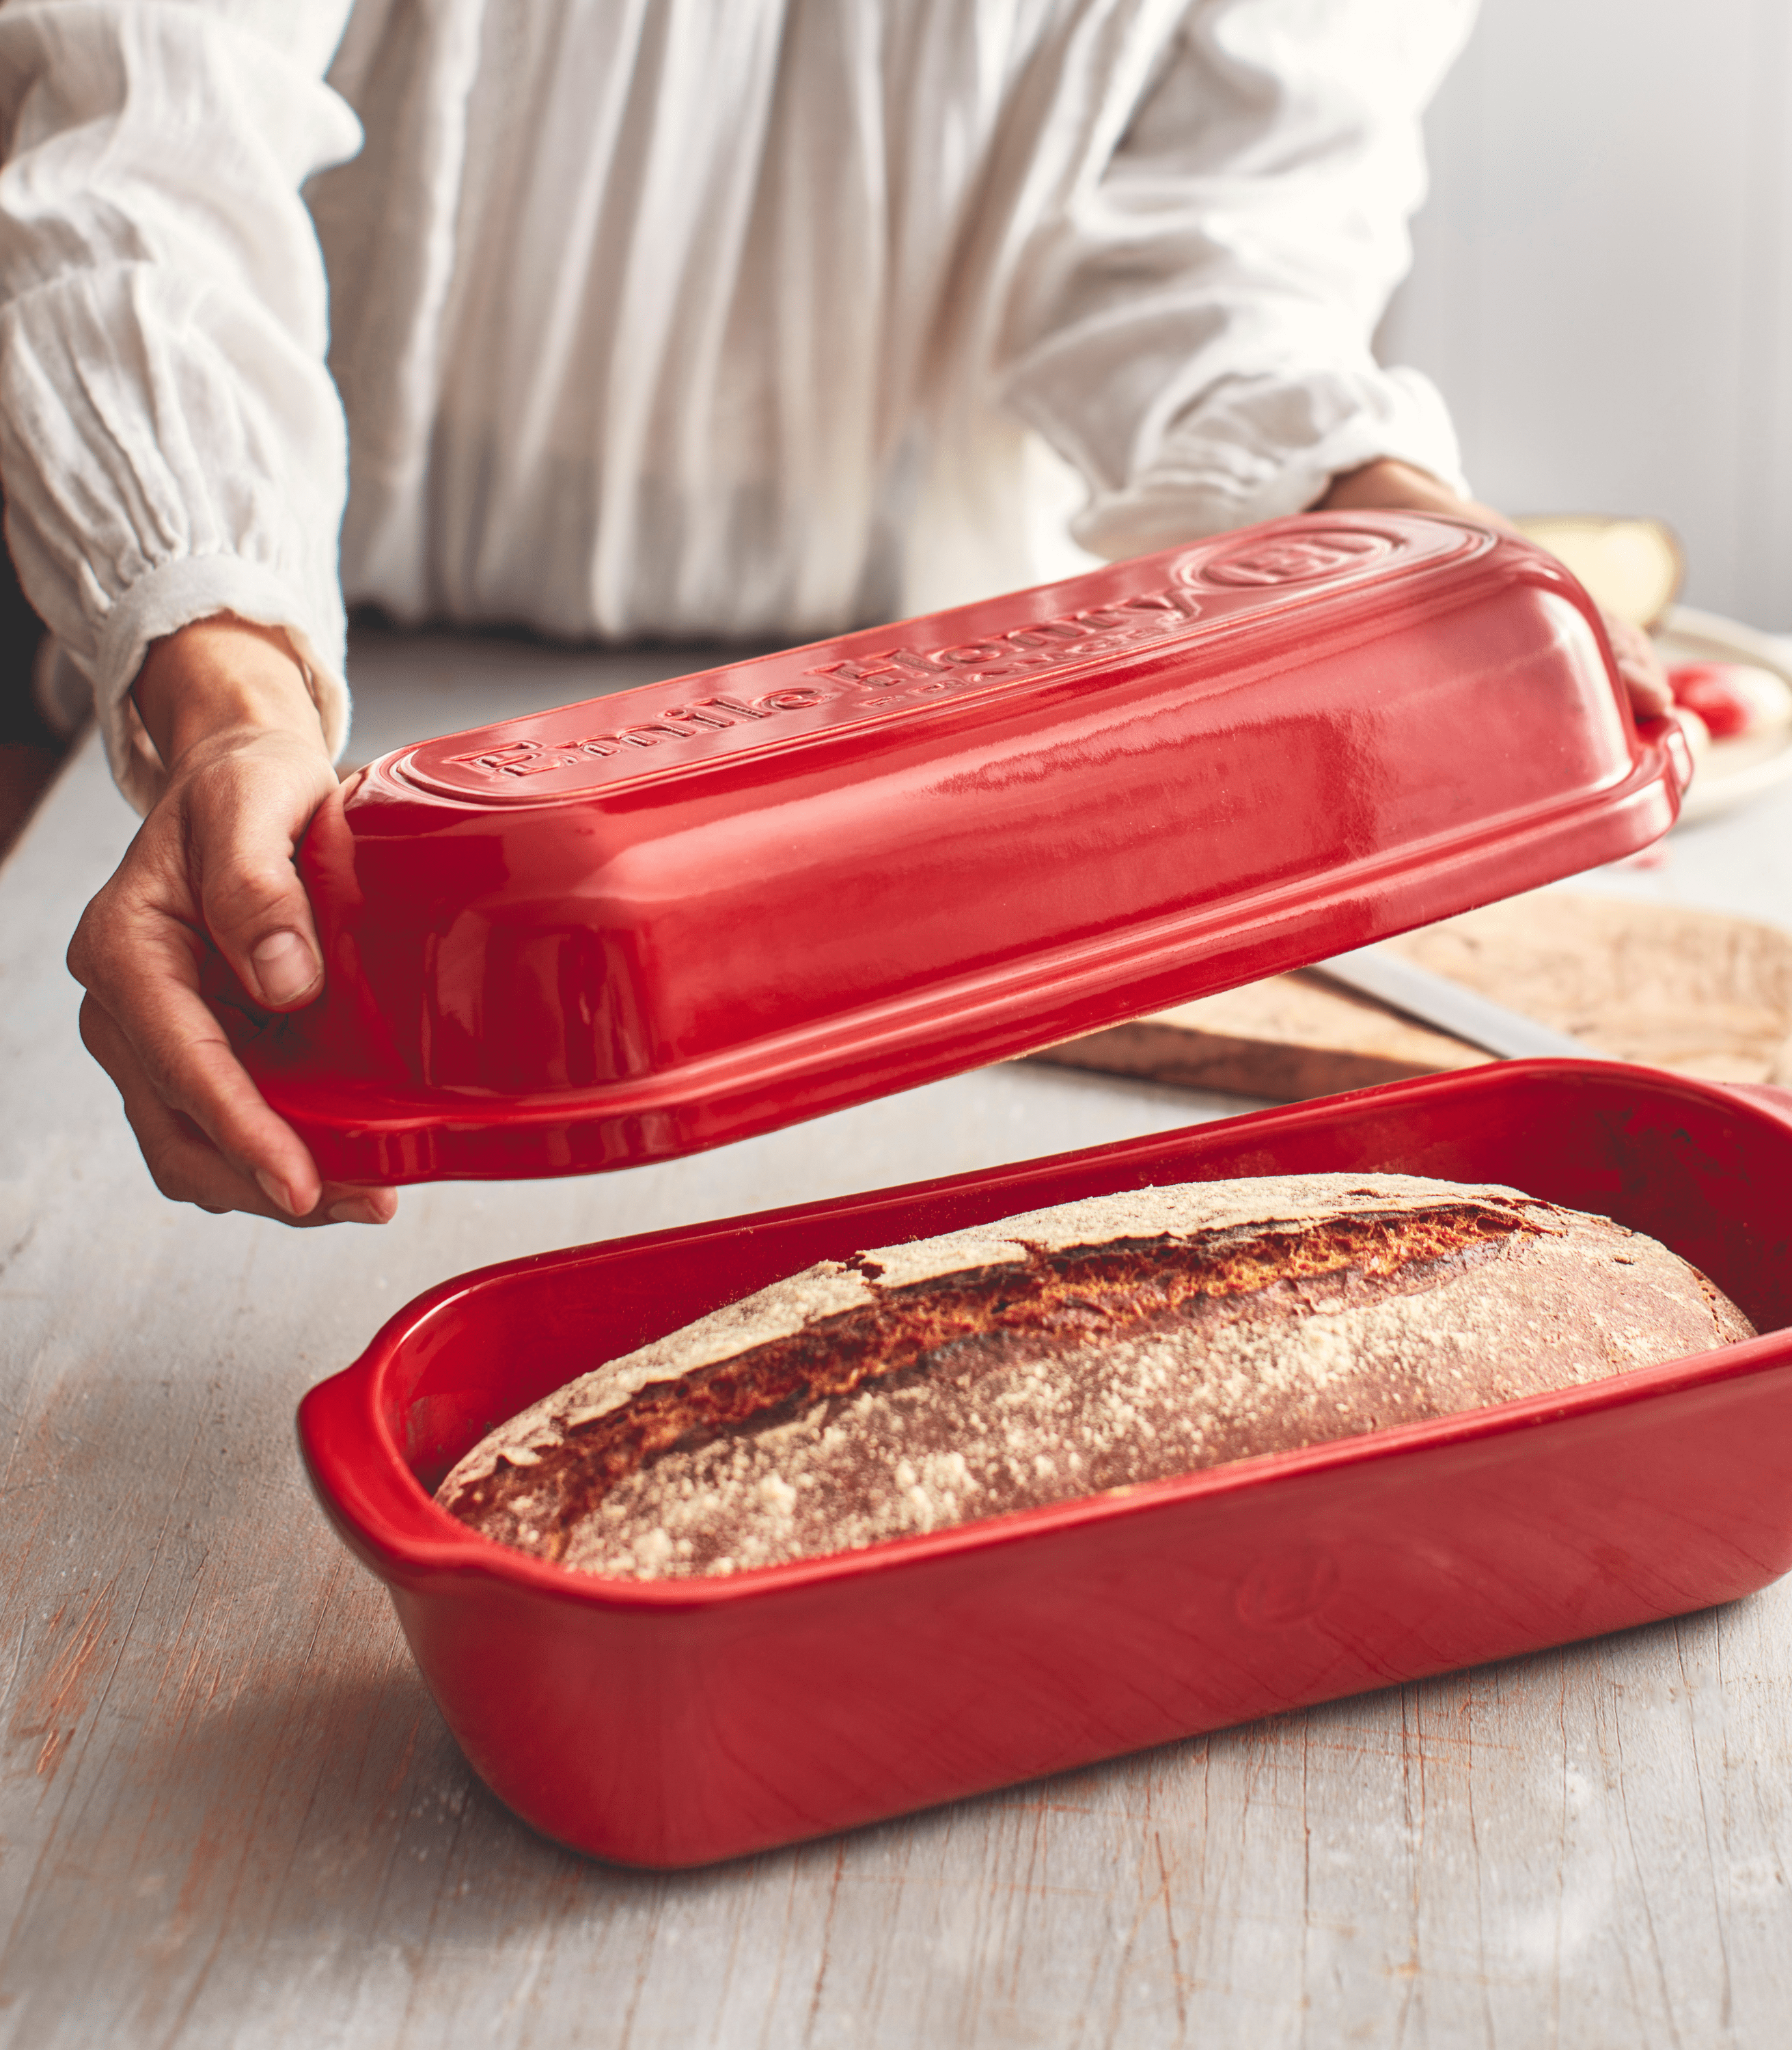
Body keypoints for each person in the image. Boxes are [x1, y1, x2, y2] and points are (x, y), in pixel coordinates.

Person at [0, 0, 1666, 1229]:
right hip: (323, 691)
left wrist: (1371, 504)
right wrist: (225, 690)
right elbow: (147, 147)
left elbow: (1215, 255)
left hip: (926, 770)